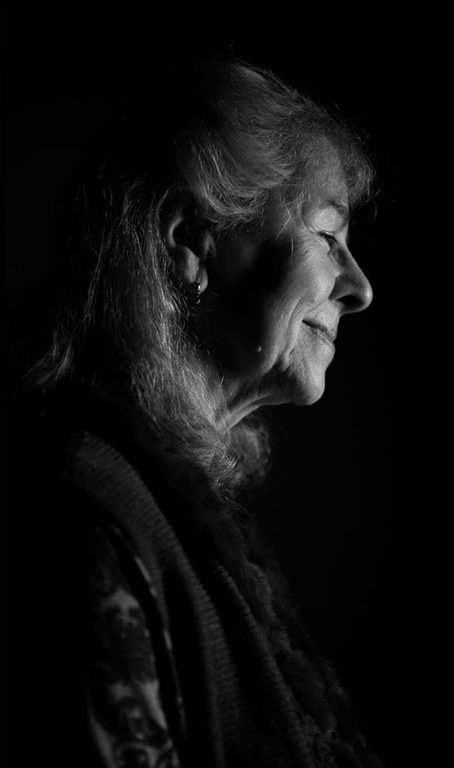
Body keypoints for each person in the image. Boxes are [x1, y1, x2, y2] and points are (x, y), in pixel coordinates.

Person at [1, 58, 381, 767]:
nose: (359, 288)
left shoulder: (166, 504)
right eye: (329, 239)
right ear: (188, 243)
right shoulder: (84, 500)